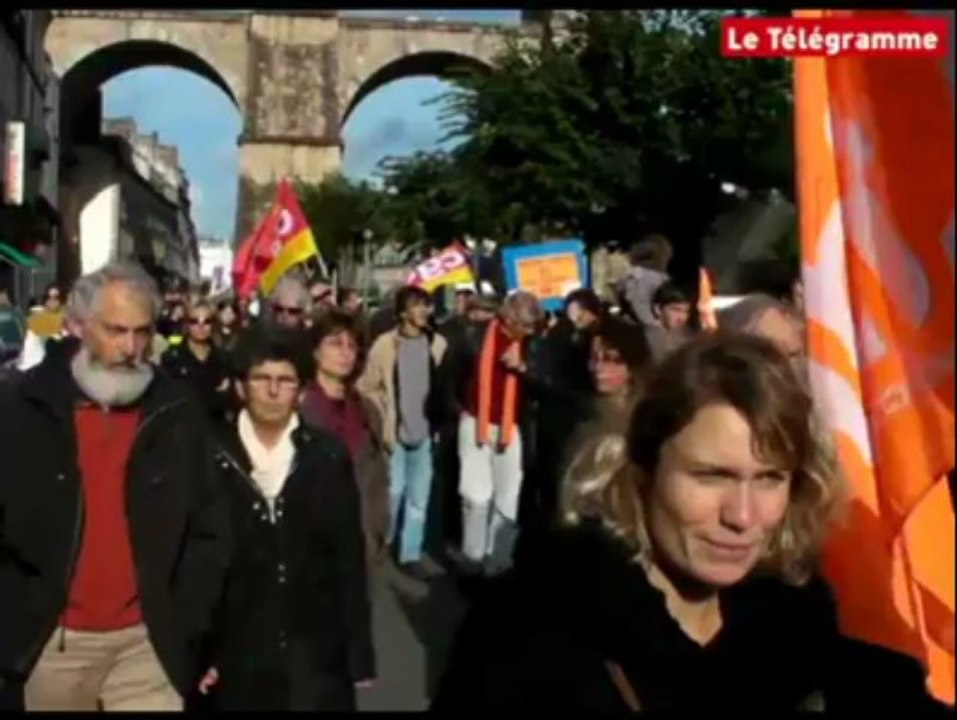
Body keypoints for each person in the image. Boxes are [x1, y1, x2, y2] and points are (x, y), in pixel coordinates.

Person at [433, 333, 949, 715]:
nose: (742, 516)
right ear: (641, 469)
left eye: (769, 479)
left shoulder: (799, 632)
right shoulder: (526, 635)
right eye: (711, 476)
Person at [0, 262, 231, 711]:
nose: (131, 347)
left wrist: (190, 622)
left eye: (143, 332)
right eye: (116, 330)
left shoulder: (177, 410)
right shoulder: (22, 408)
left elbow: (210, 525)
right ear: (79, 327)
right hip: (52, 644)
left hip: (148, 644)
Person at [198, 327, 374, 710]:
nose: (274, 391)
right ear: (241, 387)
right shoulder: (208, 454)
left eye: (286, 381)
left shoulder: (326, 455)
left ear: (300, 390)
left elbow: (348, 556)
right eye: (262, 379)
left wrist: (359, 654)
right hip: (235, 644)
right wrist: (197, 650)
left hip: (313, 646)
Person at [358, 286, 449, 580]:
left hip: (425, 433)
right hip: (394, 434)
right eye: (417, 306)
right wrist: (382, 413)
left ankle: (410, 553)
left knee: (419, 498)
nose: (424, 312)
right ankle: (383, 542)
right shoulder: (385, 346)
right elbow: (367, 386)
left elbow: (444, 388)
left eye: (426, 306)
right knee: (393, 493)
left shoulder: (438, 345)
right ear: (402, 313)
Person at [456, 290, 543, 576]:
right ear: (508, 319)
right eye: (525, 325)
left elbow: (542, 384)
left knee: (508, 500)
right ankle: (473, 559)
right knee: (476, 498)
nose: (529, 331)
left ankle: (499, 565)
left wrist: (523, 368)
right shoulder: (475, 336)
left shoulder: (532, 345)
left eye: (533, 326)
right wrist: (459, 411)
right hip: (475, 421)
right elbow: (452, 376)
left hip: (512, 427)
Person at [300, 310, 390, 567]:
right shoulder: (298, 409)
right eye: (335, 343)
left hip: (361, 543)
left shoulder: (367, 410)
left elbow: (377, 476)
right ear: (316, 351)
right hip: (311, 549)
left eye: (352, 345)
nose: (345, 352)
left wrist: (379, 525)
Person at [162, 299, 233, 421]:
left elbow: (228, 401)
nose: (201, 326)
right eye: (194, 321)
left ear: (214, 325)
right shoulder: (172, 358)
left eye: (207, 321)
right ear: (187, 324)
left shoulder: (223, 358)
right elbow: (170, 400)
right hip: (182, 427)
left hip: (215, 429)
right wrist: (213, 395)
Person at [618, 234, 673, 327]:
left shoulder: (658, 276)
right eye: (664, 254)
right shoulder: (642, 277)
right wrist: (659, 327)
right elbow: (642, 309)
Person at [646, 281, 694, 364]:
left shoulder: (687, 339)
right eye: (676, 310)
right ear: (657, 310)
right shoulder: (644, 342)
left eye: (686, 311)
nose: (682, 317)